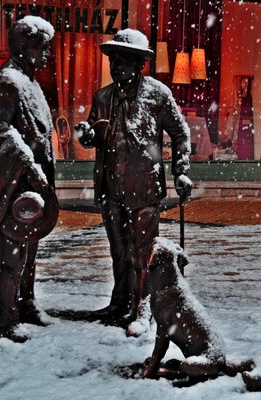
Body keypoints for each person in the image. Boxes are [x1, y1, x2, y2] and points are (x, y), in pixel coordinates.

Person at [76, 28, 191, 326]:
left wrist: (181, 171)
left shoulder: (157, 95)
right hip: (110, 188)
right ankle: (119, 302)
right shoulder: (102, 97)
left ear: (140, 64)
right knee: (119, 251)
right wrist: (87, 136)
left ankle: (140, 308)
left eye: (123, 60)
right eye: (113, 60)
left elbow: (181, 134)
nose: (116, 67)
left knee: (142, 254)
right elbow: (93, 137)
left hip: (144, 189)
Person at [0, 16, 57, 342]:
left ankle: (27, 304)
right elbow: (1, 129)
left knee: (30, 250)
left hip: (34, 185)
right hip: (15, 183)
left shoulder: (30, 80)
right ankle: (7, 321)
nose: (48, 55)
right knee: (11, 255)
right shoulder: (8, 80)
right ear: (25, 46)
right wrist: (30, 166)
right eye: (43, 47)